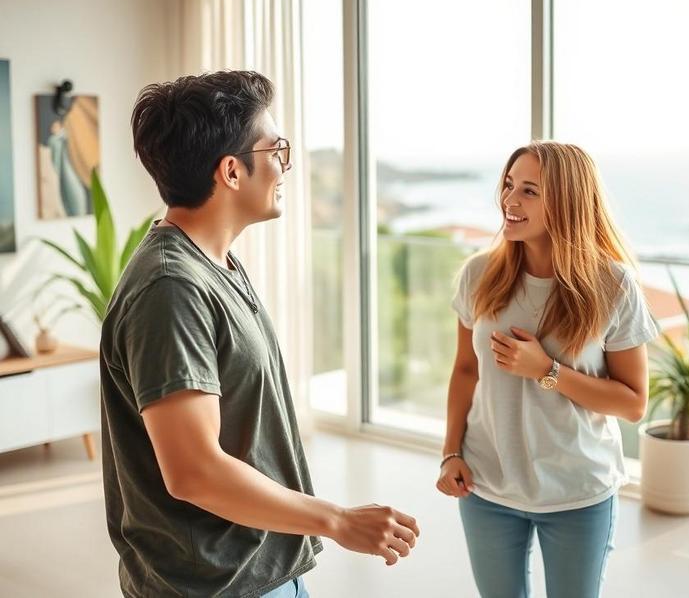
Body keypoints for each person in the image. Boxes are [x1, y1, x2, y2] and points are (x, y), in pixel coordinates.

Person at [100, 70, 419, 598]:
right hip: (215, 585)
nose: (285, 164)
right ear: (231, 170)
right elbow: (194, 471)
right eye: (276, 149)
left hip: (257, 570)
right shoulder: (171, 288)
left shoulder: (214, 263)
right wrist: (338, 520)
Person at [436, 141, 659, 598]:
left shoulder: (614, 286)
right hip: (487, 486)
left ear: (567, 202)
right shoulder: (479, 275)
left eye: (529, 191)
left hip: (577, 493)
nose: (509, 200)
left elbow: (633, 403)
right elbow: (465, 370)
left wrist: (547, 370)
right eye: (508, 185)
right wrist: (450, 452)